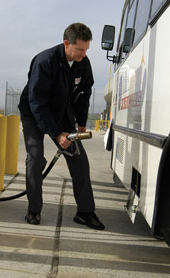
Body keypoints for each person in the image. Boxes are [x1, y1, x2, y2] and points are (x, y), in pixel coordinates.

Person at [18, 22, 105, 230]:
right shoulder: (44, 61)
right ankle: (34, 210)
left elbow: (84, 95)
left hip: (61, 115)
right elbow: (37, 102)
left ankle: (85, 211)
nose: (83, 55)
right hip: (34, 113)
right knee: (36, 158)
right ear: (67, 43)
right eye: (79, 50)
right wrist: (57, 134)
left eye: (86, 50)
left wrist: (81, 122)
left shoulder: (83, 64)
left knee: (79, 161)